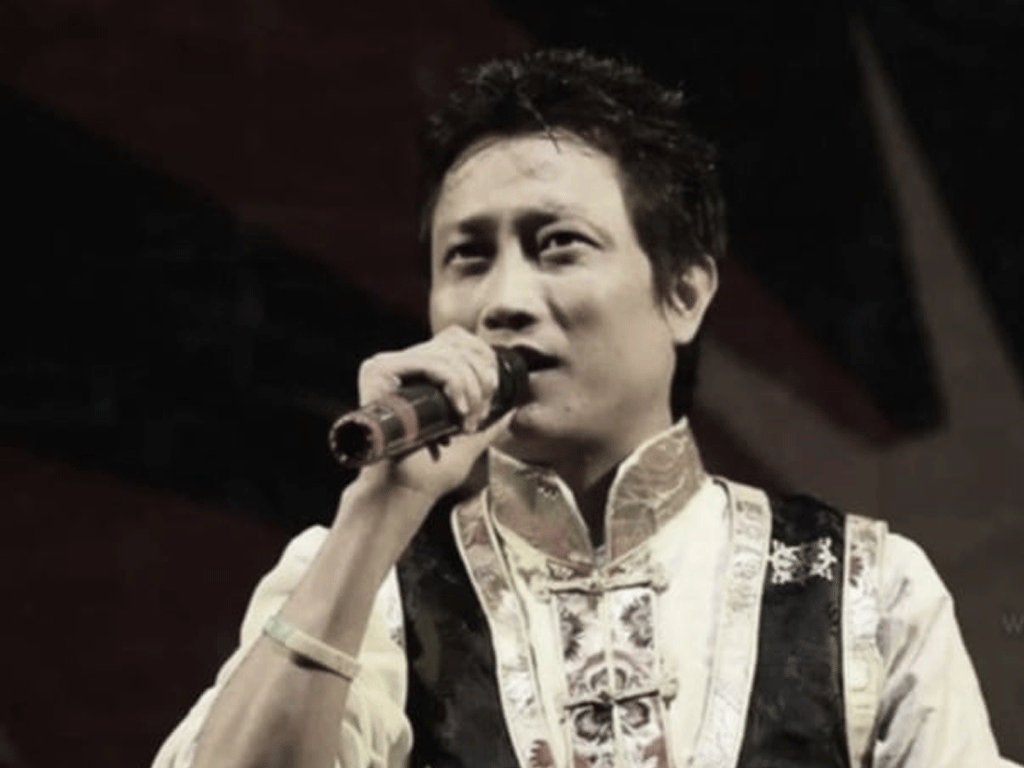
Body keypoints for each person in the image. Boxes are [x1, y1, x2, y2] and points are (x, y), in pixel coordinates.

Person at [152, 49, 1016, 768]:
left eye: (558, 244)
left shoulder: (865, 591)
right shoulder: (359, 582)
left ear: (684, 293)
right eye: (468, 257)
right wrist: (376, 518)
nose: (503, 302)